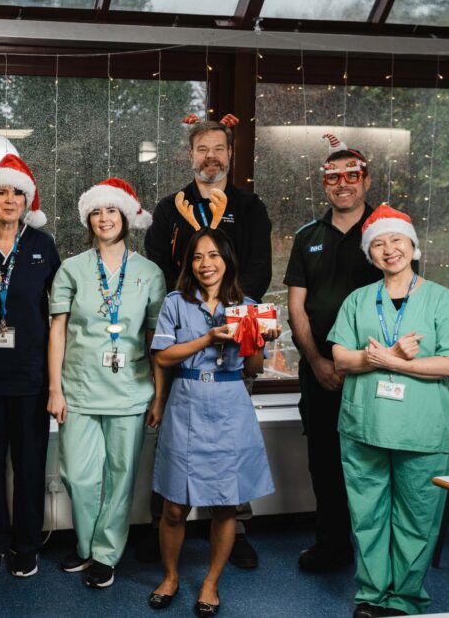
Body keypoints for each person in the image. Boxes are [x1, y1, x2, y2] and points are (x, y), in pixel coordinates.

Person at [329, 204, 449, 618]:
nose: (388, 249)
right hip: (365, 426)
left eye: (396, 240)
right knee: (368, 515)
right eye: (378, 243)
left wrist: (396, 363)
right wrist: (378, 357)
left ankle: (405, 599)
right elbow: (341, 358)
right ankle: (371, 594)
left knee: (417, 517)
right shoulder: (359, 300)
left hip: (422, 430)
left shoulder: (439, 299)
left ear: (412, 246)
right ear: (370, 254)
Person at [142, 113, 272, 568]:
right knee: (174, 439)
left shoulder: (250, 207)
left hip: (234, 336)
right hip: (181, 326)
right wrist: (186, 309)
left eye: (219, 149)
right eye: (202, 149)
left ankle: (236, 530)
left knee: (229, 442)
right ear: (191, 155)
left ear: (230, 155)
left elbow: (259, 265)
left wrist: (237, 315)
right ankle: (166, 517)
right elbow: (156, 264)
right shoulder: (168, 208)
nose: (211, 157)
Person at [147, 228, 278, 618]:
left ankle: (210, 583)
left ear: (227, 259)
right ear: (190, 263)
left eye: (214, 256)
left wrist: (262, 340)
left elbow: (253, 368)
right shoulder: (175, 303)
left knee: (224, 506)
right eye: (198, 257)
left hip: (229, 403)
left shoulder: (248, 305)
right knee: (173, 506)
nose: (206, 264)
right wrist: (207, 339)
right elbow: (164, 357)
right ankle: (170, 577)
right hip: (186, 402)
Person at [47, 178, 166, 589]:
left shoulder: (149, 273)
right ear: (88, 219)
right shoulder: (72, 269)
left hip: (131, 389)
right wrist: (54, 389)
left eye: (111, 210)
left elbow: (155, 340)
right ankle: (85, 545)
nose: (104, 218)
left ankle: (106, 553)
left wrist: (158, 393)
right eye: (96, 212)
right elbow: (57, 331)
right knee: (78, 475)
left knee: (121, 476)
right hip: (78, 387)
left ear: (126, 216)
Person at [284, 134, 382, 572]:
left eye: (351, 176)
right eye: (333, 178)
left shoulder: (387, 232)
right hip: (321, 373)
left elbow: (403, 299)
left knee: (373, 463)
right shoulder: (308, 236)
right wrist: (318, 361)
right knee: (325, 462)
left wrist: (370, 360)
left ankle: (378, 553)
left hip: (376, 372)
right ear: (324, 184)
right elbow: (296, 306)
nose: (343, 184)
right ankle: (332, 546)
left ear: (366, 180)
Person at [0, 154, 61, 578]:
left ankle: (25, 544)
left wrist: (57, 381)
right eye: (1, 192)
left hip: (30, 378)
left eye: (16, 192)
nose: (9, 199)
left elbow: (58, 314)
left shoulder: (43, 246)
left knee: (29, 465)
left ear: (27, 200)